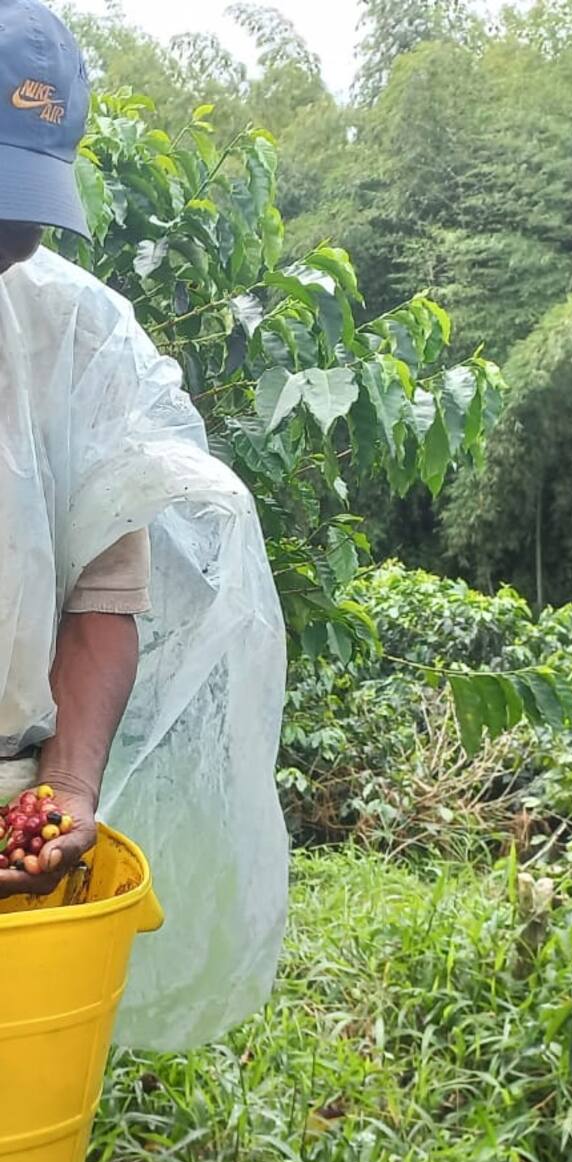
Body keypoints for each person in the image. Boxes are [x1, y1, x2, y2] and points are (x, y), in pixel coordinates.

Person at [0, 0, 289, 1049]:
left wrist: (67, 783)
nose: (7, 237)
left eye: (20, 204)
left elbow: (101, 591)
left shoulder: (69, 334)